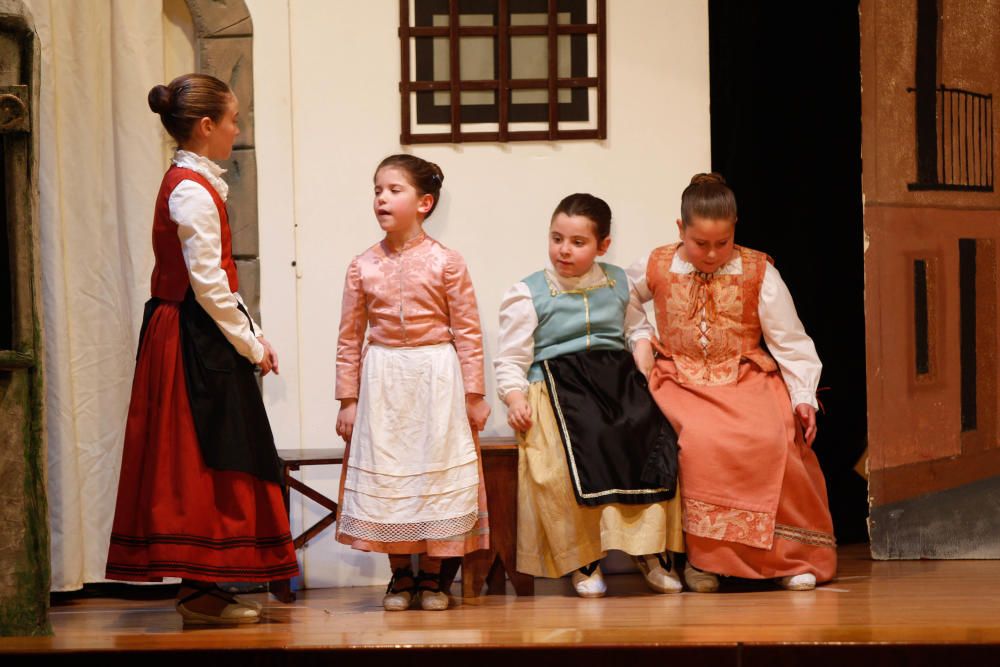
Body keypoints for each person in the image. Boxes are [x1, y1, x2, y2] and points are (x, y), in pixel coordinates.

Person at [106, 73, 298, 624]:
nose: (238, 130)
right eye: (234, 120)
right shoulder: (190, 188)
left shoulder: (197, 182)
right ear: (208, 125)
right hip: (190, 336)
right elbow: (209, 282)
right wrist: (253, 342)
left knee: (216, 449)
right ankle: (198, 592)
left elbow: (215, 281)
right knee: (198, 454)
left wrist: (251, 336)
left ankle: (207, 584)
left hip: (194, 329)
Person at [631, 173, 836, 592]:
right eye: (700, 243)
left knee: (772, 437)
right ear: (680, 229)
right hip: (680, 381)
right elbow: (621, 300)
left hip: (745, 376)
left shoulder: (759, 271)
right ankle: (705, 562)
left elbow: (791, 341)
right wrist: (640, 336)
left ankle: (787, 558)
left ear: (735, 228)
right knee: (702, 443)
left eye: (722, 243)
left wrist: (803, 397)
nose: (710, 253)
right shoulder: (657, 264)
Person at [495, 193, 684, 598]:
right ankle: (583, 556)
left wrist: (642, 349)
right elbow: (511, 357)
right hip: (556, 383)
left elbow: (635, 327)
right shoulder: (528, 292)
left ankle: (648, 550)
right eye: (557, 238)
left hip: (614, 380)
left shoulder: (618, 282)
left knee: (648, 434)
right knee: (568, 453)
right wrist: (514, 398)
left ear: (603, 246)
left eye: (577, 242)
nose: (564, 250)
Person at [334, 154, 490, 611]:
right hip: (383, 379)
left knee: (437, 469)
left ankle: (436, 579)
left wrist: (474, 393)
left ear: (424, 203)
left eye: (393, 190)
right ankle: (401, 575)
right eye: (377, 190)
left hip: (436, 378)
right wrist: (348, 398)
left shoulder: (447, 262)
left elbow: (468, 331)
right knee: (391, 475)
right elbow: (349, 336)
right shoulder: (362, 265)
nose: (382, 198)